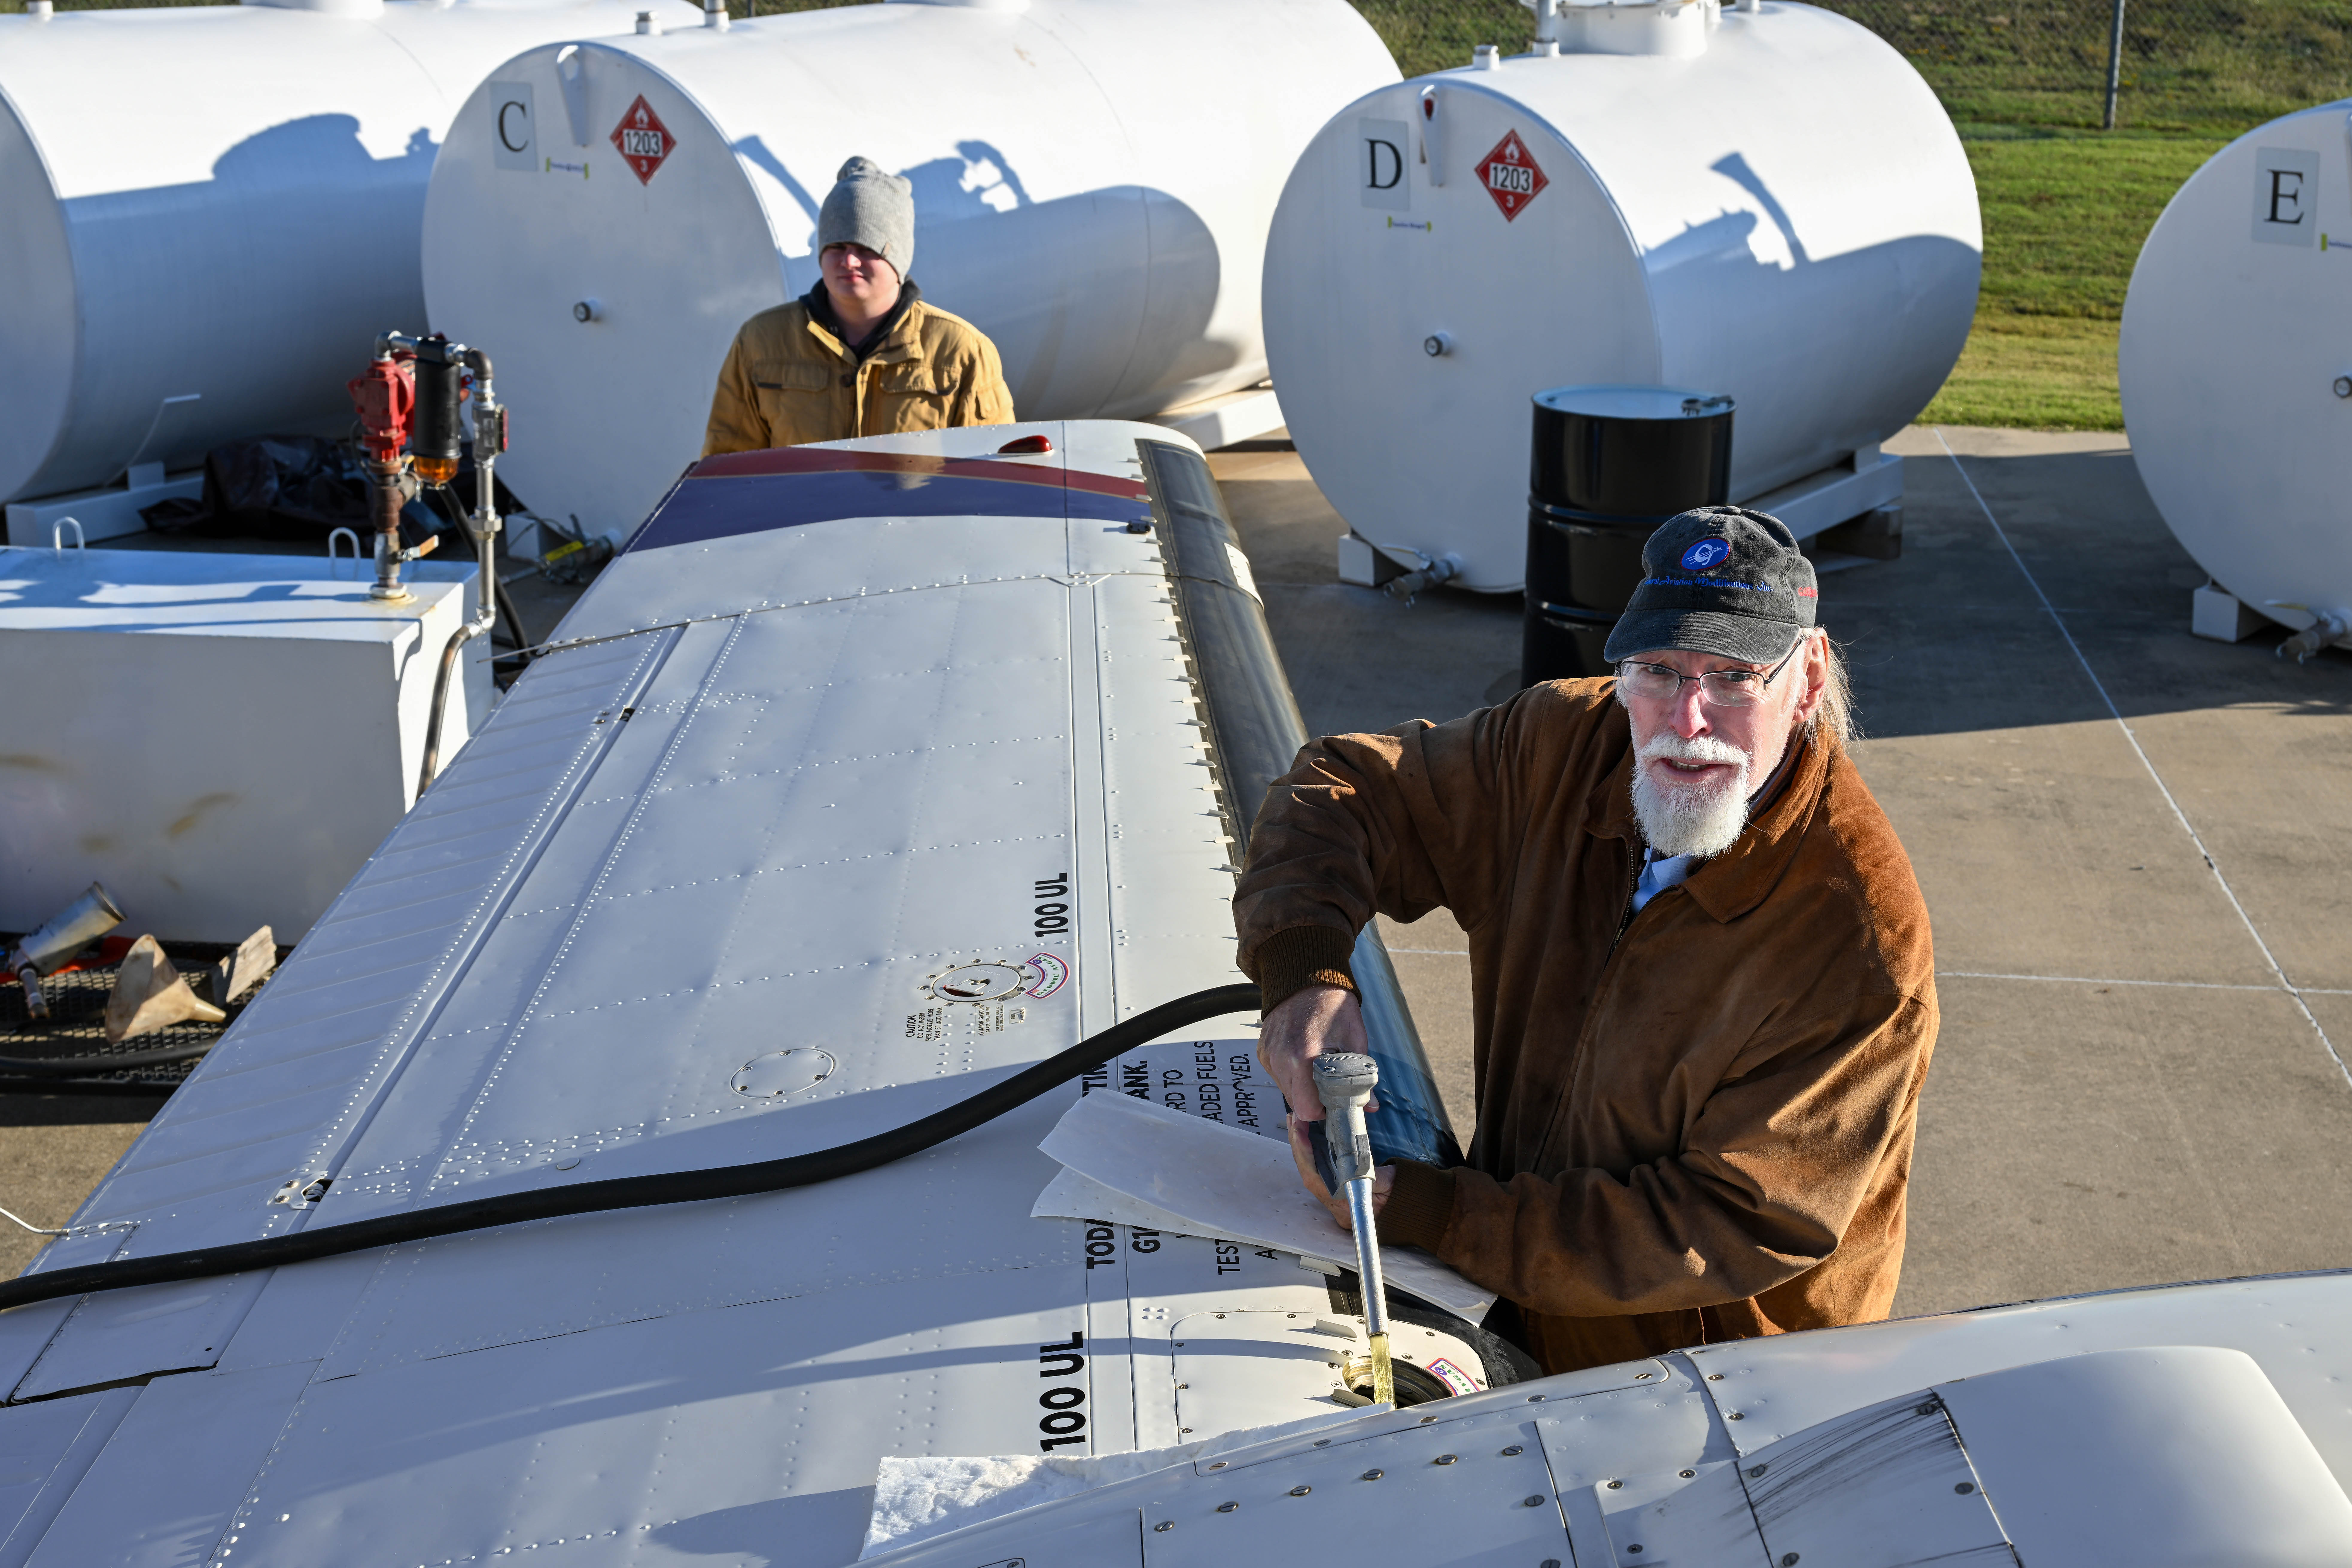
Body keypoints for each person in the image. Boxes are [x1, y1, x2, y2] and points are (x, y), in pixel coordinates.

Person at [1235, 506, 1937, 1375]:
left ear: (1808, 676)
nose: (1687, 718)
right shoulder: (1563, 747)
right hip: (1507, 1310)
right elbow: (1343, 789)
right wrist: (1306, 972)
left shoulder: (1859, 936)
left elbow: (1714, 1225)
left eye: (1733, 676)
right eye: (1656, 669)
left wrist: (1439, 1215)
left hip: (1710, 1404)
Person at [703, 156, 1014, 454]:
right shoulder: (762, 341)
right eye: (836, 246)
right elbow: (728, 469)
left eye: (866, 247)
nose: (849, 261)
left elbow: (991, 477)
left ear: (898, 258)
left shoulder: (960, 351)